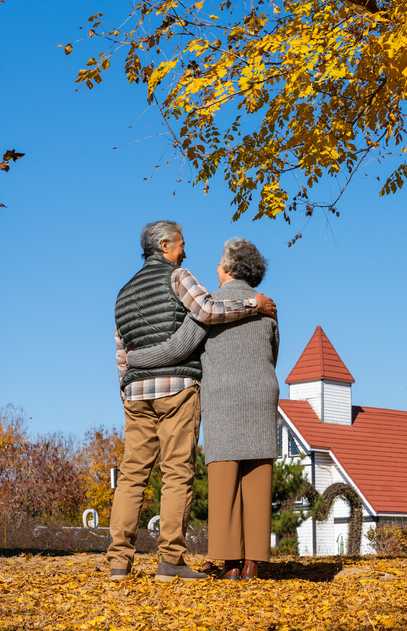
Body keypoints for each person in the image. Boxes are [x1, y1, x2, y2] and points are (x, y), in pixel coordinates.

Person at [110, 222, 276, 583]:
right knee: (177, 473)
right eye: (182, 244)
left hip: (135, 394)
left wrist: (126, 383)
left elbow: (121, 349)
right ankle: (170, 561)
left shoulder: (122, 293)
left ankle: (118, 562)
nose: (185, 252)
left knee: (132, 476)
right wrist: (253, 303)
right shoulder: (179, 276)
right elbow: (207, 312)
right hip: (175, 389)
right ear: (166, 244)